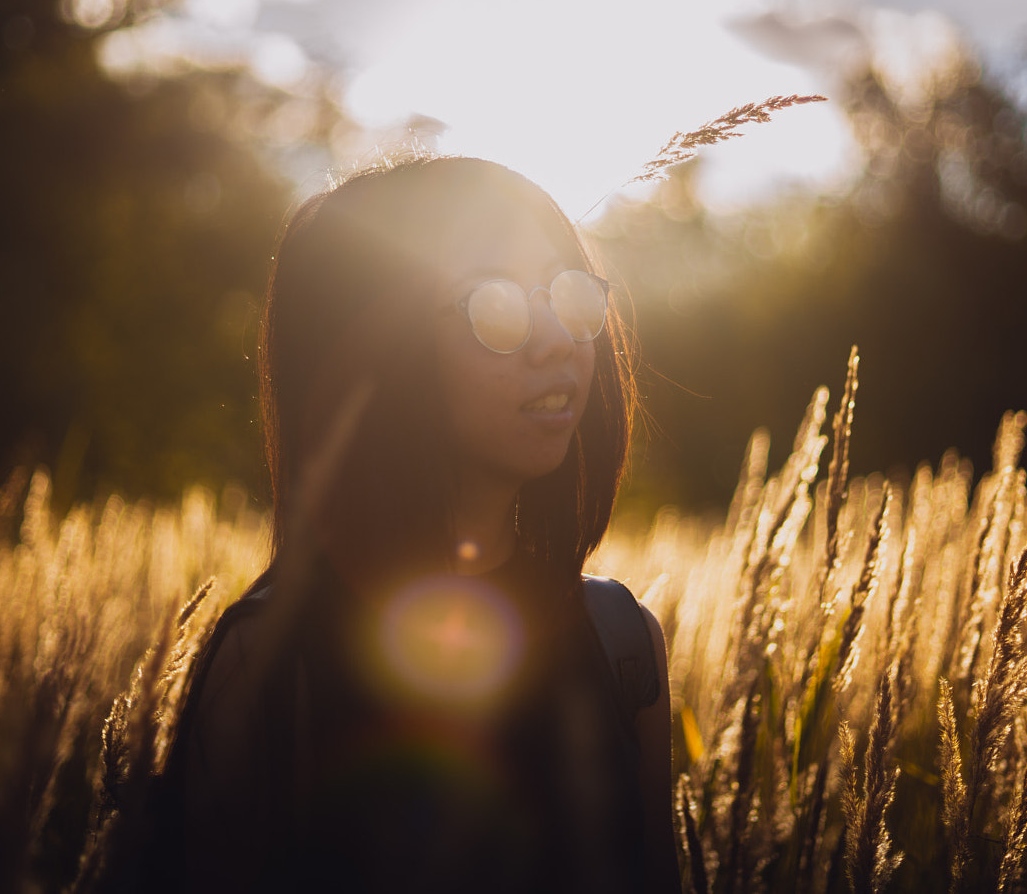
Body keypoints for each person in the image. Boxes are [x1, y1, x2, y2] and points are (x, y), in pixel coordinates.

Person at [153, 154, 677, 893]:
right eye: (494, 305)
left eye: (570, 294)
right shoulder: (268, 669)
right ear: (376, 351)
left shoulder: (622, 641)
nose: (558, 339)